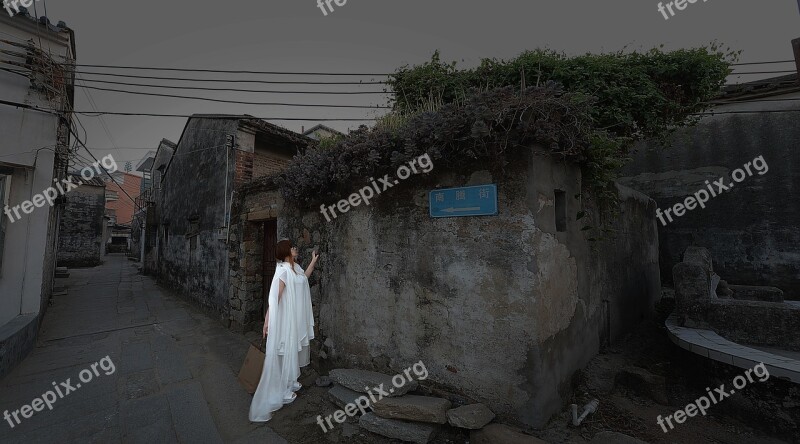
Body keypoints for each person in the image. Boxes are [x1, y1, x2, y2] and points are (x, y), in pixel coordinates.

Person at [249, 240, 319, 422]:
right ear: (286, 251)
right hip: (286, 318)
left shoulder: (295, 267)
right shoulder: (282, 271)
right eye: (292, 247)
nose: (295, 248)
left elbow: (304, 279)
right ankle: (283, 390)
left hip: (295, 318)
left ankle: (290, 382)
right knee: (285, 350)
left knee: (293, 349)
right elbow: (275, 298)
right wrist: (267, 321)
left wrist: (313, 261)